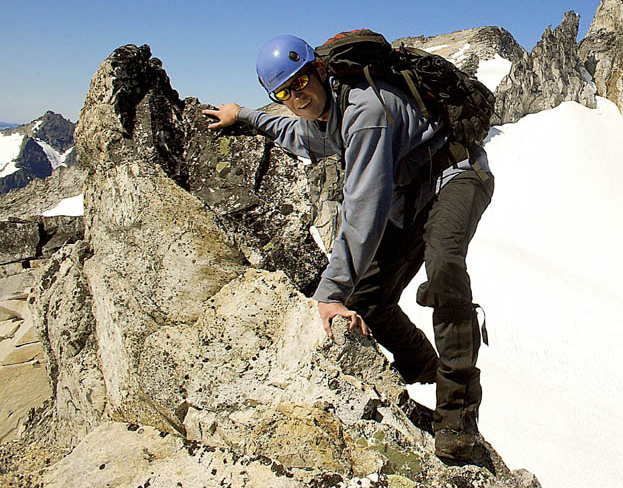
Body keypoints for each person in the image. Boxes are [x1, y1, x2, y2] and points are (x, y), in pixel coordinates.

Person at [202, 34, 494, 462]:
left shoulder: (365, 111)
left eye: (301, 82)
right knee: (367, 299)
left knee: (445, 266)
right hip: (412, 192)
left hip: (456, 172)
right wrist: (242, 115)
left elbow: (364, 209)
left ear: (319, 70)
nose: (297, 97)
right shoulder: (324, 114)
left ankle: (458, 416)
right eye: (284, 92)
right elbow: (296, 132)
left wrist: (328, 294)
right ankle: (423, 367)